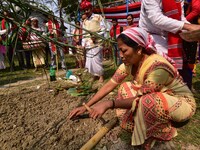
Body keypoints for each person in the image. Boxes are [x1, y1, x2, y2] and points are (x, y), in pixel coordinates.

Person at [69, 27, 196, 148]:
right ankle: (148, 121)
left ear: (139, 49)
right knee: (125, 87)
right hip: (159, 99)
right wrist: (87, 106)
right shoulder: (130, 63)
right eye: (119, 50)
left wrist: (109, 103)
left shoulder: (157, 66)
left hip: (182, 103)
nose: (121, 55)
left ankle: (160, 133)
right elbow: (110, 84)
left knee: (147, 101)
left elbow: (141, 98)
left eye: (124, 50)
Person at [139, 0, 200, 90]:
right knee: (163, 69)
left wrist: (194, 31)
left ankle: (183, 94)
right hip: (152, 36)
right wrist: (188, 27)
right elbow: (157, 19)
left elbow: (180, 18)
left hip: (171, 35)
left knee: (182, 68)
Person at [80, 0, 105, 82]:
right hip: (88, 44)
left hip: (97, 42)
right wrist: (83, 44)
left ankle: (101, 75)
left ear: (91, 9)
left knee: (97, 59)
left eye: (87, 9)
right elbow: (83, 33)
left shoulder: (98, 17)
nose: (86, 11)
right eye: (84, 10)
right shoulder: (84, 21)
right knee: (90, 61)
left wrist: (96, 35)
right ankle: (94, 75)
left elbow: (104, 28)